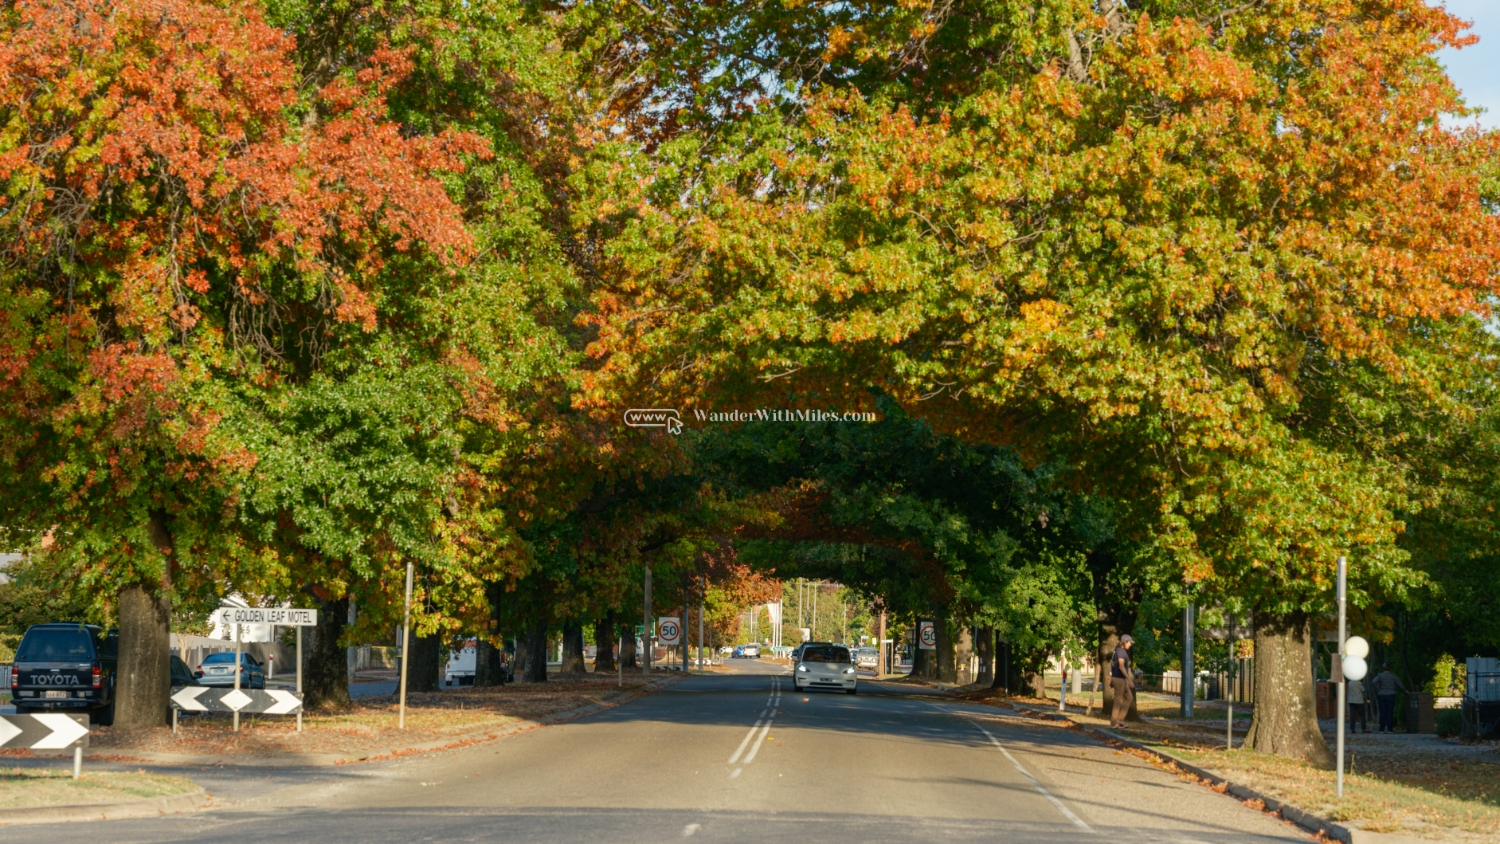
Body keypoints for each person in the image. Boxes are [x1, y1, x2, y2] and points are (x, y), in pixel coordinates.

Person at [1371, 664, 1407, 733]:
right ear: (1389, 669)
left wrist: (1378, 689)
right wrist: (1404, 691)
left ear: (1382, 669)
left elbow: (1373, 682)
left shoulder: (1380, 675)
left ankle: (1381, 729)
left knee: (1382, 712)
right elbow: (1399, 684)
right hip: (1391, 694)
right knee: (1390, 712)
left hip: (1381, 694)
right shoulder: (1393, 676)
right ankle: (1389, 729)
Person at [1110, 634, 1135, 728]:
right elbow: (1121, 666)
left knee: (1129, 697)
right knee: (1118, 701)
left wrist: (1111, 677)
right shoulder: (1120, 651)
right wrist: (1129, 680)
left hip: (1120, 679)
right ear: (1124, 642)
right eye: (1129, 643)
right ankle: (1113, 723)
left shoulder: (1119, 651)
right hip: (1119, 679)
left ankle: (1119, 720)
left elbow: (1111, 665)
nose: (1130, 645)